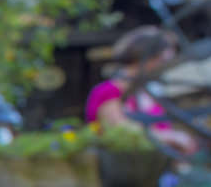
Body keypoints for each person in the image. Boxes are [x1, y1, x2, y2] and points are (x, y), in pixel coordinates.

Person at [85, 26, 198, 156]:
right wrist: (171, 137)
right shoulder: (108, 91)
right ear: (147, 59)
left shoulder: (150, 92)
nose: (165, 67)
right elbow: (120, 130)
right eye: (163, 61)